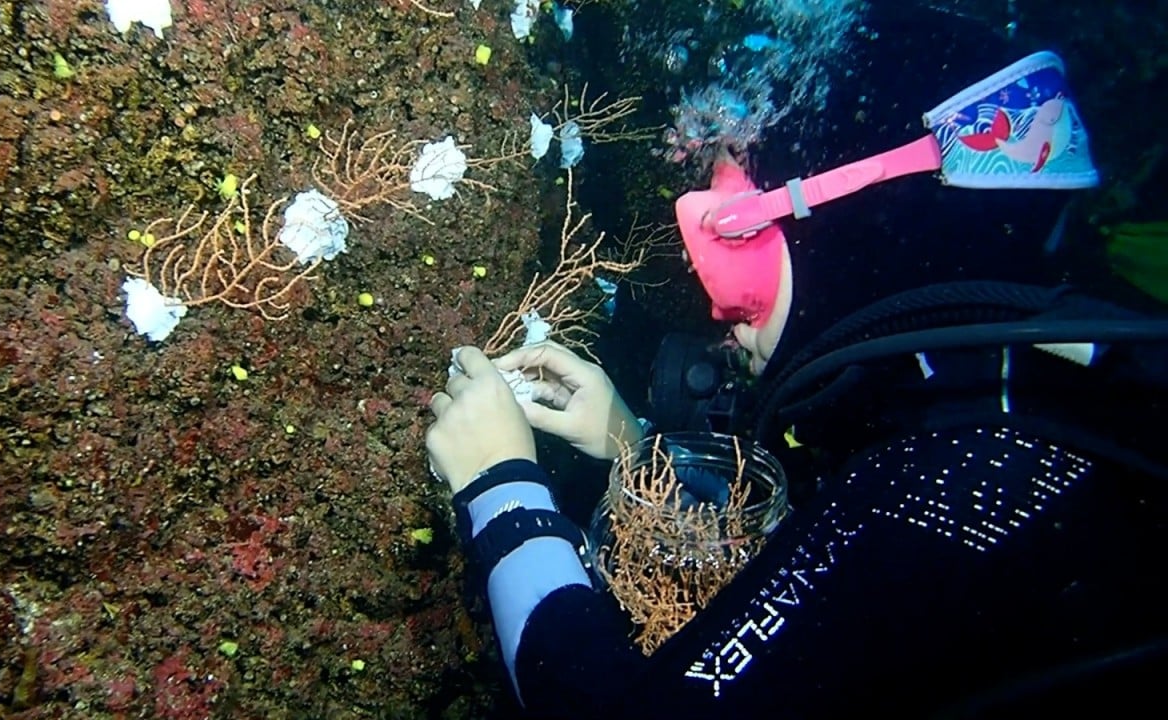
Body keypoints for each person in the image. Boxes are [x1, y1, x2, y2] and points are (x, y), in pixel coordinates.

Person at [426, 5, 1168, 718]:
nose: (717, 308)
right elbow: (820, 602)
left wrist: (501, 488)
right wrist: (637, 450)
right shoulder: (1043, 395)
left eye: (732, 238)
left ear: (863, 240)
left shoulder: (957, 482)